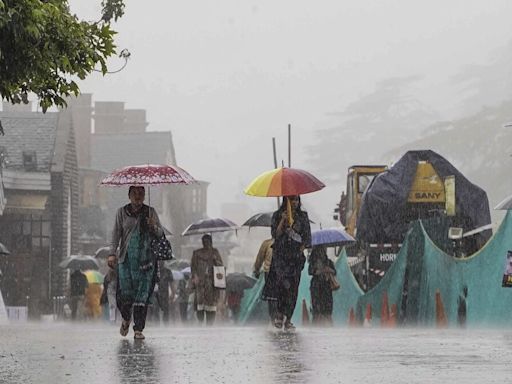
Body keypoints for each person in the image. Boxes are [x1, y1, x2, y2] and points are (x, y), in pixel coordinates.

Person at [107, 185, 164, 340]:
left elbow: (160, 234)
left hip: (146, 262)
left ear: (145, 195)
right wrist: (112, 254)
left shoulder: (150, 212)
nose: (138, 196)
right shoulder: (122, 213)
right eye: (135, 193)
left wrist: (153, 226)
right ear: (129, 195)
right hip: (126, 260)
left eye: (141, 193)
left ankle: (138, 328)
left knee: (142, 295)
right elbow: (116, 234)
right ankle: (126, 318)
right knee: (124, 295)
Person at [262, 195, 311, 330]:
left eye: (296, 200)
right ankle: (279, 315)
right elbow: (275, 235)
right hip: (281, 258)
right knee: (281, 286)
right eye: (291, 200)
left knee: (293, 289)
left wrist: (299, 251)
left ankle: (288, 318)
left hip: (295, 259)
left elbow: (306, 238)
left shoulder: (302, 217)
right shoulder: (278, 215)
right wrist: (283, 221)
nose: (294, 203)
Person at [190, 234, 224, 326]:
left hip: (211, 283)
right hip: (200, 284)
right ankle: (200, 322)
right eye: (204, 241)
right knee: (199, 306)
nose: (206, 243)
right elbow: (193, 268)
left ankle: (210, 325)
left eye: (208, 241)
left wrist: (215, 260)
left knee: (211, 306)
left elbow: (220, 267)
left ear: (211, 242)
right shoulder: (196, 253)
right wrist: (195, 276)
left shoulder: (215, 252)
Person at [308, 245, 336, 325]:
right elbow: (310, 272)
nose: (324, 250)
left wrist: (329, 270)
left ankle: (328, 324)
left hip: (326, 287)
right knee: (317, 310)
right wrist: (321, 271)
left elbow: (334, 271)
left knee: (327, 310)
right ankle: (317, 324)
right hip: (317, 287)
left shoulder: (328, 262)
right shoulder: (313, 263)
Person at [252, 238, 277, 322]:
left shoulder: (267, 243)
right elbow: (260, 258)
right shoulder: (268, 244)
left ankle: (273, 318)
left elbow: (259, 258)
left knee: (272, 297)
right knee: (274, 297)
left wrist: (256, 270)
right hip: (275, 273)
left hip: (270, 273)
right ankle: (275, 317)